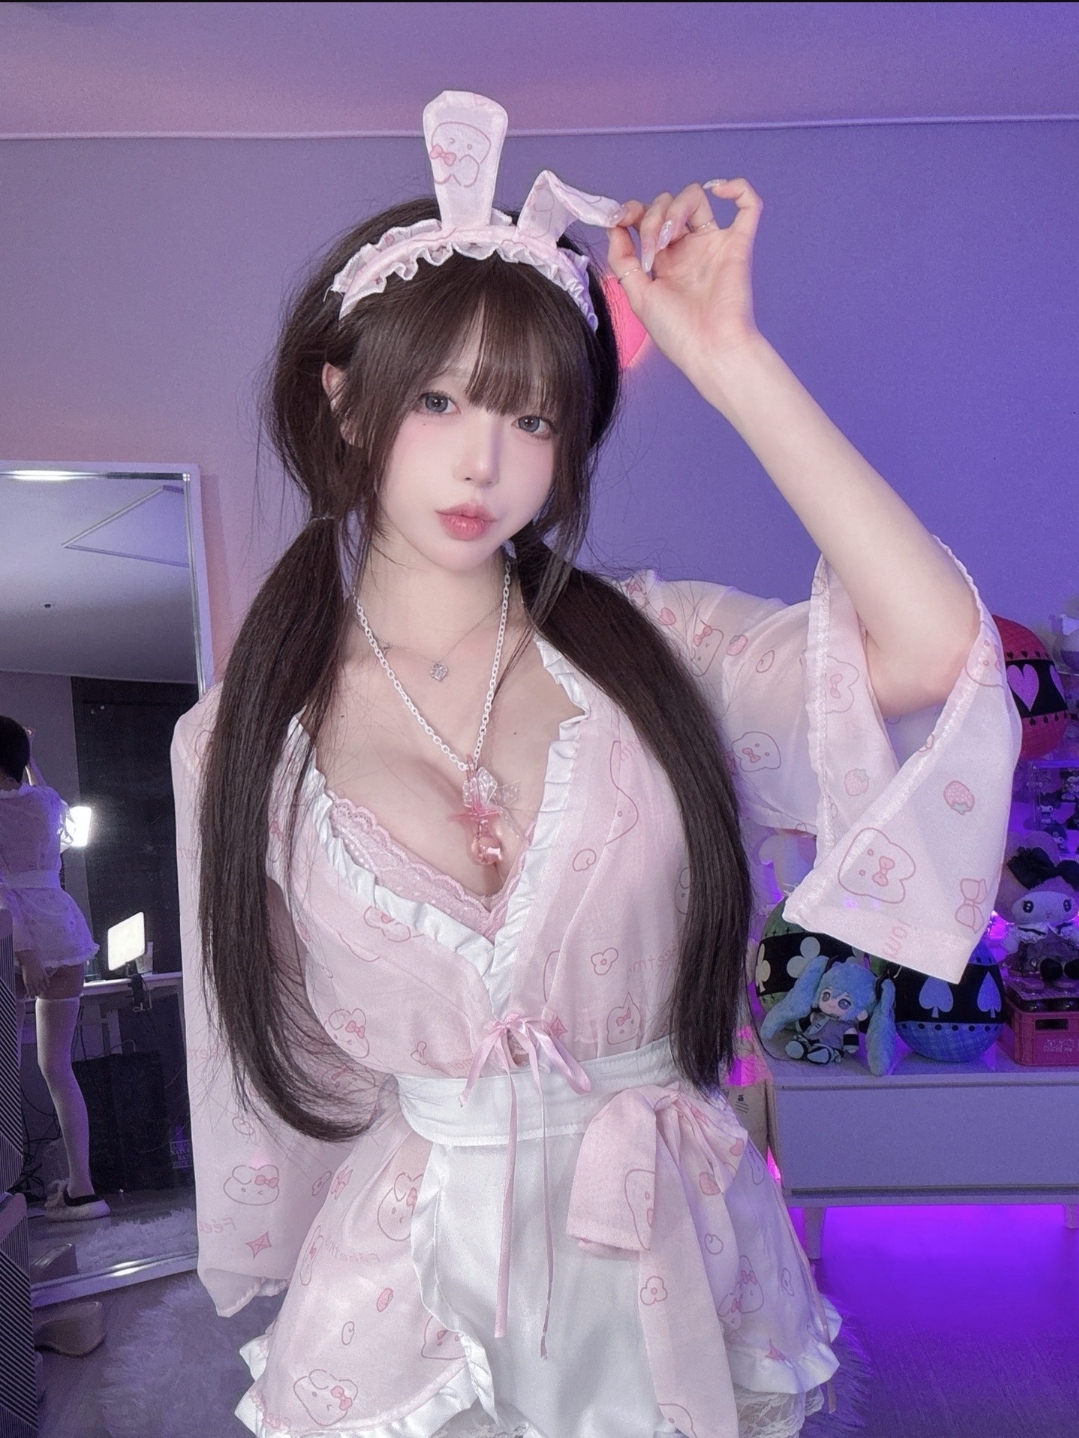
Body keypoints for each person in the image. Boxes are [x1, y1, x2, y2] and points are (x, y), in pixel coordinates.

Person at [175, 93, 1018, 1438]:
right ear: (344, 402)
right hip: (411, 1288)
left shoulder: (657, 650)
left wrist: (730, 357)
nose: (483, 460)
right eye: (437, 399)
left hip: (670, 1251)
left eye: (531, 418)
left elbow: (929, 649)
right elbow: (260, 1066)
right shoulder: (236, 736)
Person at [0, 715, 109, 1221]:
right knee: (57, 1067)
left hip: (17, 937)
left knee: (9, 1069)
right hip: (62, 929)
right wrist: (30, 756)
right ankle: (82, 1188)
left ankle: (8, 1191)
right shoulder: (42, 803)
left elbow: (1, 892)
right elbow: (54, 812)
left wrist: (24, 953)